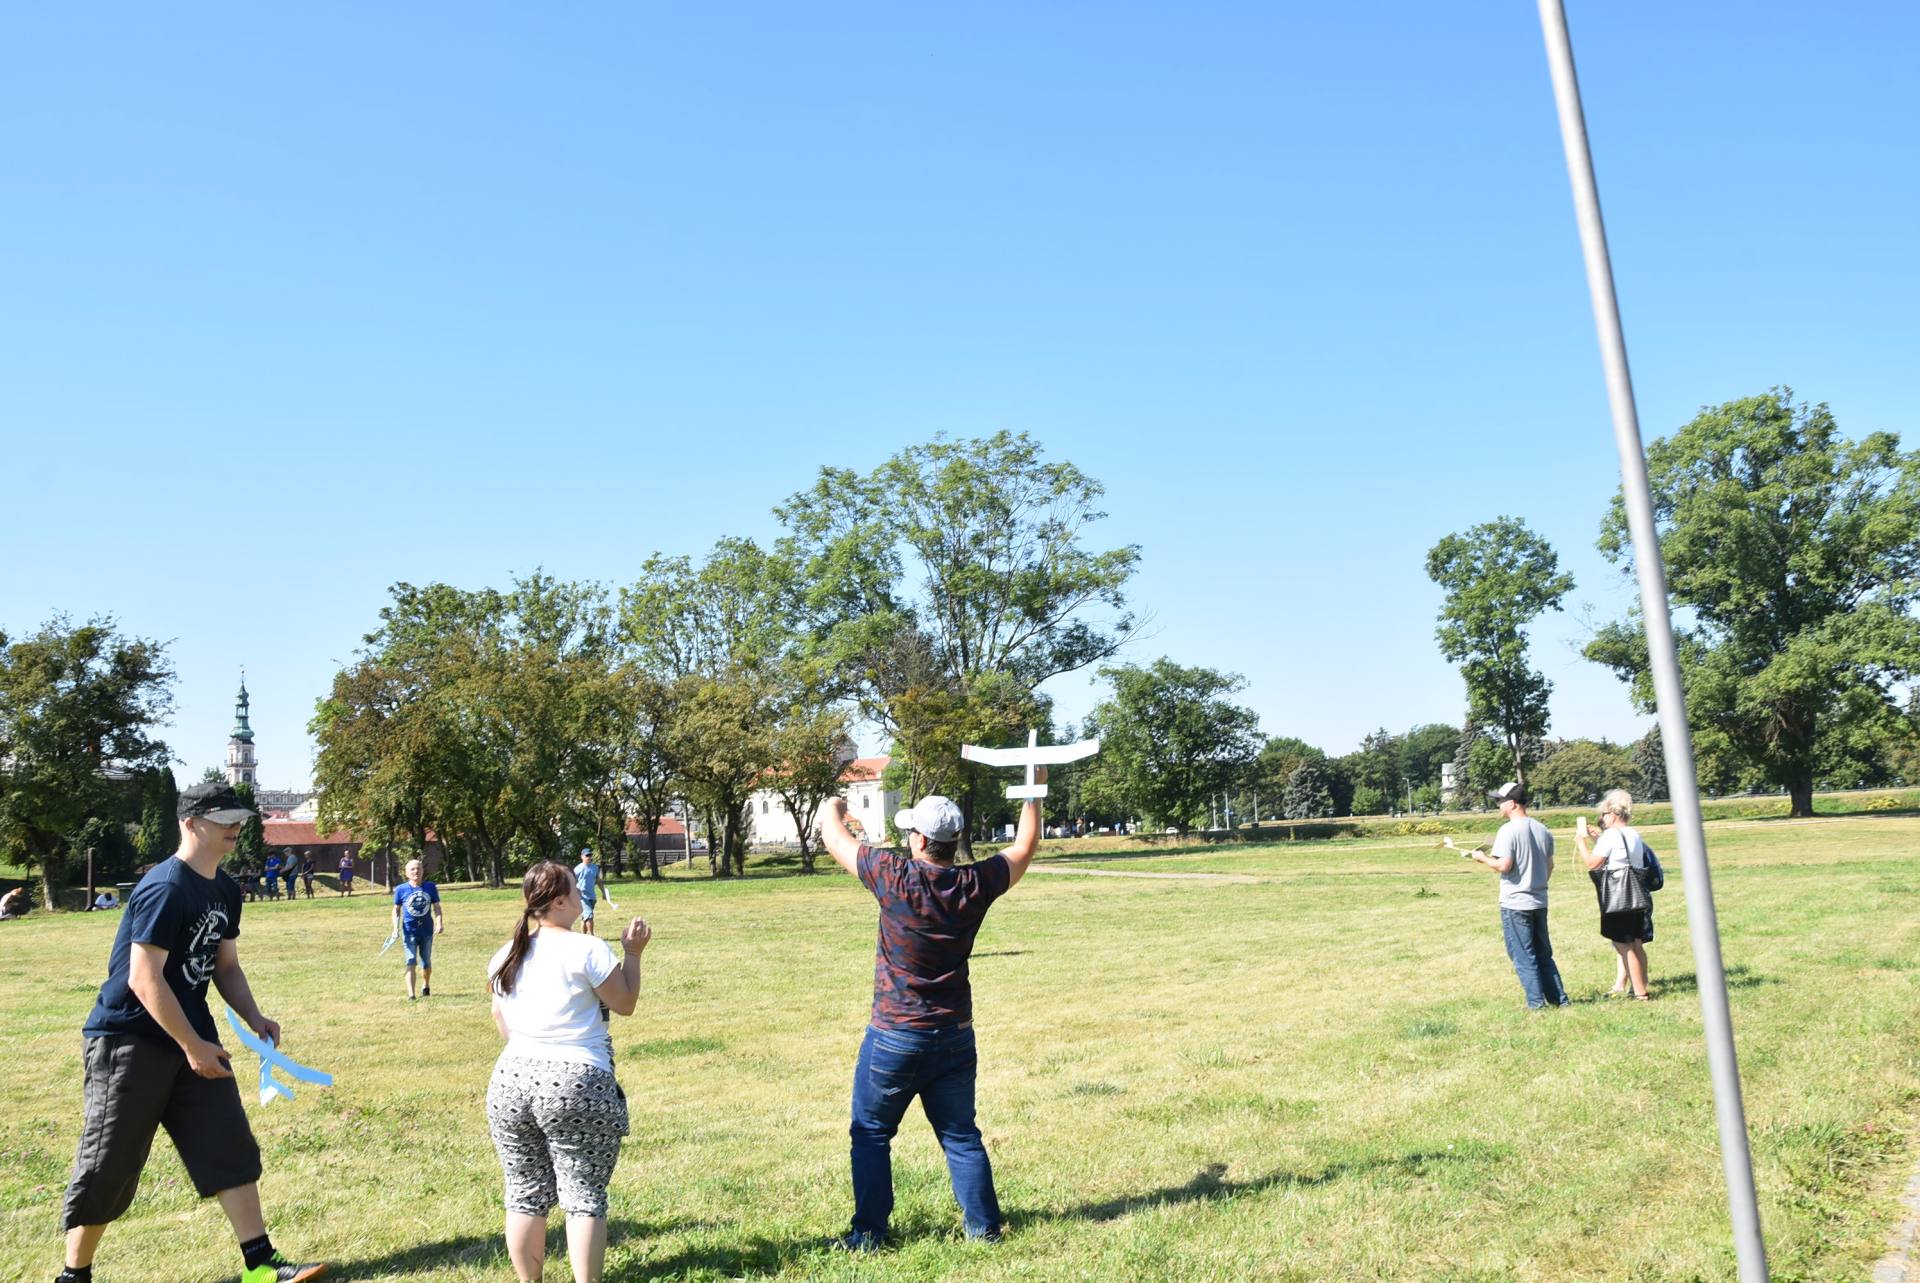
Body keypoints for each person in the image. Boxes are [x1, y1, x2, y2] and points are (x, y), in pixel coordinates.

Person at [56, 782, 326, 1283]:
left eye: (239, 819)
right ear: (190, 822)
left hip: (192, 1036)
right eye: (224, 819)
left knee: (228, 1144)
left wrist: (253, 1017)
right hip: (129, 1039)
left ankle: (261, 1266)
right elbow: (143, 978)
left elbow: (225, 967)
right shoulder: (166, 886)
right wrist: (190, 1045)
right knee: (110, 1161)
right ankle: (75, 1275)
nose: (235, 828)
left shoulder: (223, 888)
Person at [816, 773, 1047, 1250]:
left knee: (872, 1134)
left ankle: (869, 1235)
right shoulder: (974, 884)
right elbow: (1025, 846)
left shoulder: (893, 876)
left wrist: (835, 804)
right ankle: (983, 1231)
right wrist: (1033, 790)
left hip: (895, 1035)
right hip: (955, 1035)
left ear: (919, 839)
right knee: (961, 1135)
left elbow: (832, 835)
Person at [486, 861, 649, 1283]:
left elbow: (501, 1020)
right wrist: (632, 954)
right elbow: (624, 1002)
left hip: (511, 1079)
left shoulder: (505, 953)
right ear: (559, 901)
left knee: (523, 1195)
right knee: (583, 1196)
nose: (581, 896)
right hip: (576, 1077)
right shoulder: (586, 948)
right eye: (576, 890)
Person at [1462, 782, 1569, 1010]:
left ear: (1511, 804)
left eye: (1499, 801)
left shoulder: (1508, 830)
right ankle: (1560, 1001)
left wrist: (1481, 858)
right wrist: (1536, 884)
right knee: (1543, 954)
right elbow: (1550, 866)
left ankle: (1536, 1005)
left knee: (1522, 955)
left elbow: (1504, 866)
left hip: (1515, 903)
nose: (1498, 805)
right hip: (1539, 901)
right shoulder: (1543, 830)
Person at [1576, 789, 1654, 1000]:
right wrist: (1598, 840)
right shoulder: (1633, 834)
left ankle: (1640, 993)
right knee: (1636, 943)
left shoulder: (1610, 835)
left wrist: (1581, 843)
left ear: (1612, 814)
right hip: (1636, 894)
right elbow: (1621, 857)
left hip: (1618, 896)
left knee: (1624, 945)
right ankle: (1640, 986)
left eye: (1603, 815)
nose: (1602, 819)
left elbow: (1592, 864)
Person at [391, 859, 444, 1000]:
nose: (416, 871)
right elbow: (396, 910)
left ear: (423, 871)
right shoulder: (401, 889)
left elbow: (437, 907)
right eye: (412, 869)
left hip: (426, 931)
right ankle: (411, 995)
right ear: (407, 873)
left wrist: (439, 923)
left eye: (418, 868)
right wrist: (395, 928)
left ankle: (426, 984)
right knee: (411, 961)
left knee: (426, 962)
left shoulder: (430, 887)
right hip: (409, 931)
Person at [572, 848, 600, 937]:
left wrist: (603, 892)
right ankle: (592, 936)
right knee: (589, 915)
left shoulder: (595, 868)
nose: (589, 857)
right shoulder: (578, 869)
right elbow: (572, 881)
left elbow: (599, 880)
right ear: (582, 857)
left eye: (590, 855)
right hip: (582, 897)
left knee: (585, 917)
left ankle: (583, 936)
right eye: (587, 855)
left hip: (592, 896)